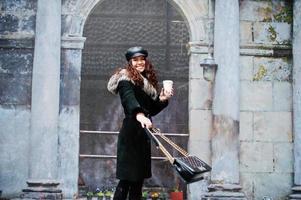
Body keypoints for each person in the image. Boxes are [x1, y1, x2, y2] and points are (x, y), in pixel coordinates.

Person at [107, 46, 173, 200]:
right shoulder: (125, 79)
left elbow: (152, 109)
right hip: (131, 133)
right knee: (126, 180)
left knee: (138, 181)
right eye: (135, 60)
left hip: (143, 133)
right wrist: (139, 114)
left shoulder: (146, 82)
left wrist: (162, 99)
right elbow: (129, 100)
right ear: (130, 62)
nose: (139, 62)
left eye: (142, 59)